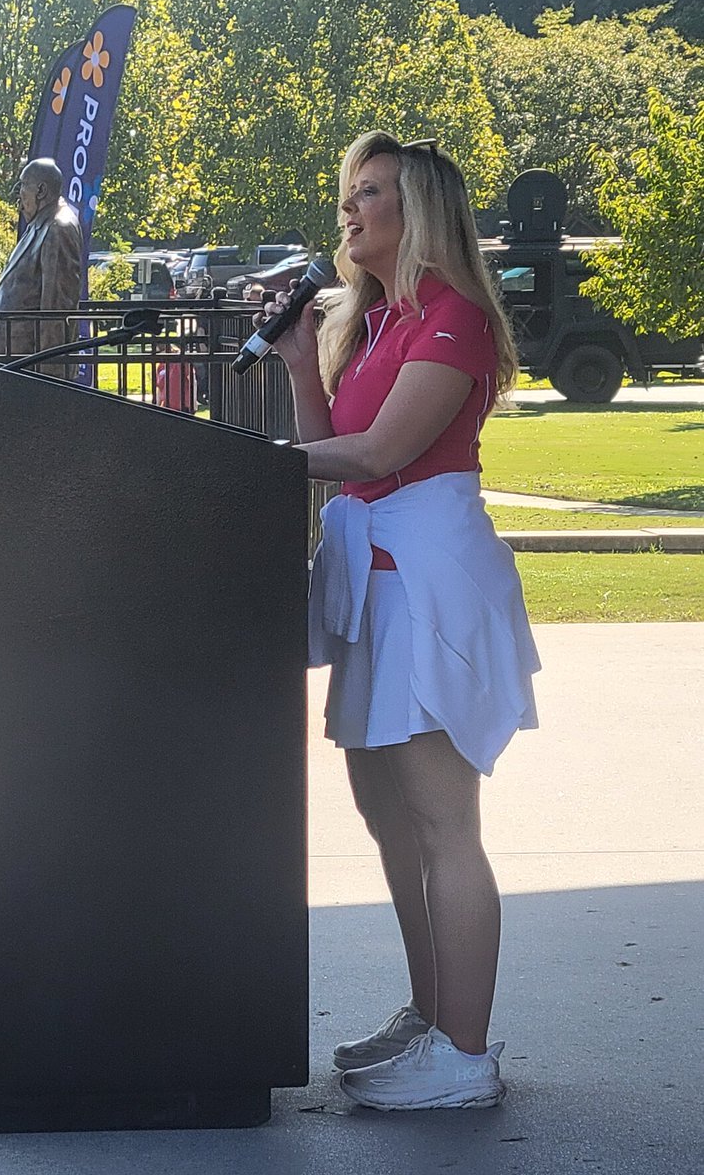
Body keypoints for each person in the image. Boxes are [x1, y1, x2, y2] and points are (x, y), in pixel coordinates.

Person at [262, 132, 540, 1112]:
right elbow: (332, 439)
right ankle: (431, 1017)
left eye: (369, 193)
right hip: (373, 585)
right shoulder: (377, 323)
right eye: (347, 192)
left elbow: (379, 452)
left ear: (416, 211)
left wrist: (245, 465)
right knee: (389, 821)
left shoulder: (453, 319)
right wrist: (302, 361)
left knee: (442, 823)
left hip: (424, 586)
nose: (349, 209)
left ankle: (465, 1056)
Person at [0, 158, 82, 378]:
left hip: (30, 371)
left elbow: (56, 309)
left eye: (23, 185)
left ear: (41, 190)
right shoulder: (40, 225)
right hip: (14, 367)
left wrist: (49, 380)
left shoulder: (59, 228)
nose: (19, 194)